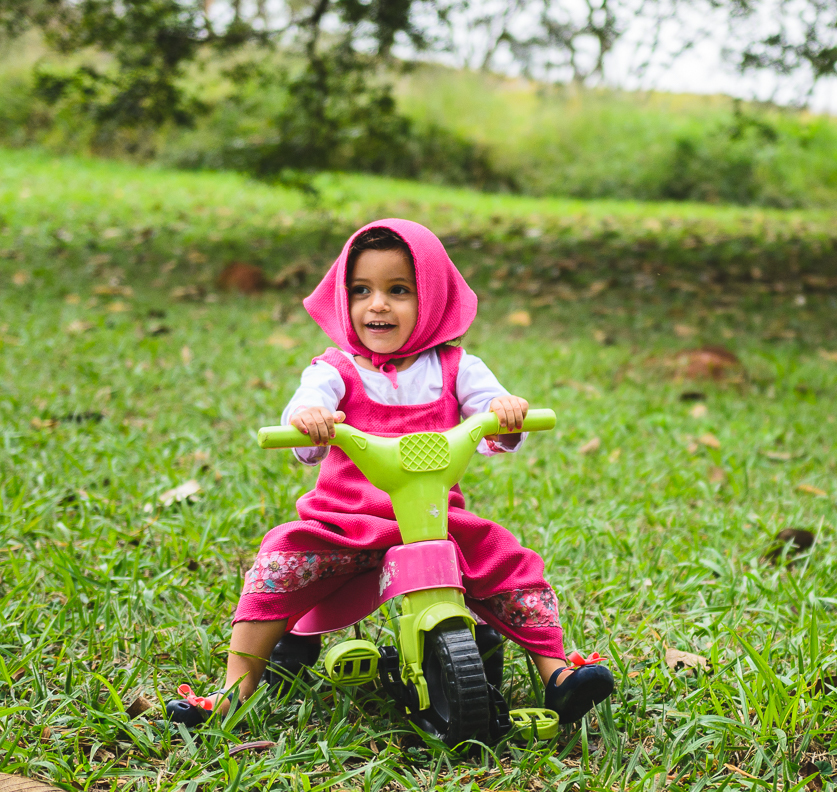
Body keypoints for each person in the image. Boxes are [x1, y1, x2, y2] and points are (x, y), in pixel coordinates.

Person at [166, 219, 613, 728]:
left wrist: (506, 413)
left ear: (434, 301)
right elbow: (308, 407)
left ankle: (556, 674)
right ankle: (234, 690)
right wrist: (310, 421)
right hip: (345, 520)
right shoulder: (335, 369)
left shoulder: (455, 367)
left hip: (432, 521)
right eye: (362, 290)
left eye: (398, 290)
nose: (377, 304)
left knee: (509, 564)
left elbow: (493, 416)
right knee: (279, 565)